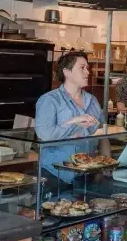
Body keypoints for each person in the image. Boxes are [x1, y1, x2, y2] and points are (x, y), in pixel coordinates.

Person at [34, 51, 105, 185]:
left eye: (87, 68)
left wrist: (105, 166)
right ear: (67, 72)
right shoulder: (49, 100)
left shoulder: (93, 101)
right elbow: (44, 135)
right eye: (82, 68)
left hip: (87, 172)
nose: (87, 72)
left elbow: (102, 134)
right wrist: (73, 122)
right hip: (55, 174)